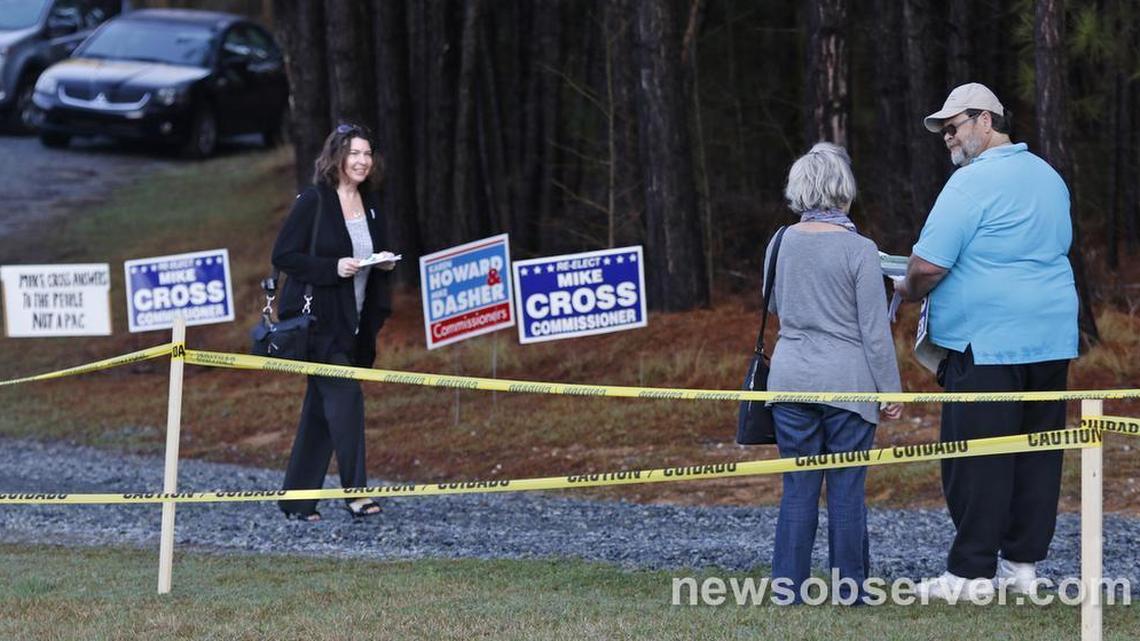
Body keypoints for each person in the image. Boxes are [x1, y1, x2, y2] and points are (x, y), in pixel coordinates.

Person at [895, 83, 1078, 602]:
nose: (947, 138)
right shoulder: (1049, 176)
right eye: (944, 131)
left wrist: (905, 288)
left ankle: (970, 574)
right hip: (1050, 336)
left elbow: (927, 265)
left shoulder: (969, 184)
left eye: (953, 127)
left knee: (973, 457)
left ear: (985, 120)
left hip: (987, 342)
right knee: (1036, 454)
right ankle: (1021, 568)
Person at [765, 142, 903, 605]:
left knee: (797, 489)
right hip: (847, 383)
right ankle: (850, 591)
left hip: (787, 380)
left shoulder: (778, 243)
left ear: (800, 189)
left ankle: (787, 589)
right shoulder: (860, 250)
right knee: (846, 490)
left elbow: (779, 308)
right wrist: (892, 391)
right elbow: (874, 330)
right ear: (843, 190)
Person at [273, 123, 396, 522]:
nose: (362, 161)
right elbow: (284, 256)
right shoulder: (314, 201)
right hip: (317, 325)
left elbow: (370, 255)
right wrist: (332, 267)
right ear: (337, 157)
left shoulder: (372, 202)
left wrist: (384, 264)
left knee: (320, 412)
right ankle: (356, 494)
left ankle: (296, 502)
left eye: (367, 153)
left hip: (355, 323)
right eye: (354, 153)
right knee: (346, 398)